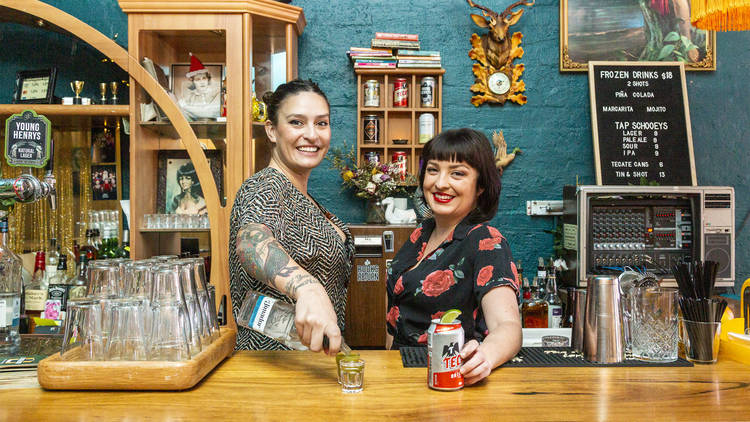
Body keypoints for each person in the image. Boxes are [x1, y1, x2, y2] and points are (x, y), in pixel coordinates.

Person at [385, 128, 522, 385]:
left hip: (451, 381)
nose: (440, 183)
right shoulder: (420, 235)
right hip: (402, 380)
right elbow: (398, 318)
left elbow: (508, 326)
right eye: (433, 170)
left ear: (480, 186)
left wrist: (486, 357)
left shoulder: (485, 241)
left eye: (457, 173)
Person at [229, 79, 354, 354]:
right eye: (297, 122)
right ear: (272, 131)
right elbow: (251, 243)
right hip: (275, 370)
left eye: (321, 123)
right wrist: (307, 287)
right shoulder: (264, 187)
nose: (312, 134)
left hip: (310, 365)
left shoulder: (301, 196)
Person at [178, 53, 221, 119]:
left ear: (208, 79)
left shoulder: (217, 92)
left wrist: (185, 107)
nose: (202, 82)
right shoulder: (191, 96)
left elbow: (210, 112)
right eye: (197, 79)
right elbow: (179, 108)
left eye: (204, 78)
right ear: (193, 82)